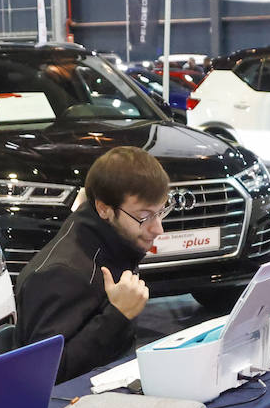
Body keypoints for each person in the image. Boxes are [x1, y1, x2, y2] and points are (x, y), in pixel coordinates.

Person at [15, 147, 170, 383]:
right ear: (104, 209)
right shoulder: (61, 274)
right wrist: (117, 315)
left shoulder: (114, 242)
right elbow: (43, 374)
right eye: (144, 216)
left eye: (161, 212)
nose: (158, 228)